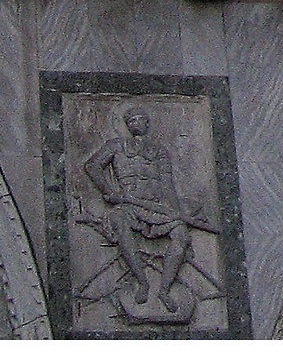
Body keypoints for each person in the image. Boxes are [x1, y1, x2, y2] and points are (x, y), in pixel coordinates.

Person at [81, 106, 209, 322]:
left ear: (147, 124)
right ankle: (142, 281)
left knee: (181, 235)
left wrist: (175, 212)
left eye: (141, 120)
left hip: (156, 208)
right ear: (127, 125)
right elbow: (92, 166)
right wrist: (108, 191)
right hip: (128, 206)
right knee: (121, 225)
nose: (136, 124)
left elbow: (167, 186)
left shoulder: (158, 151)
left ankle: (165, 289)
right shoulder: (116, 146)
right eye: (132, 120)